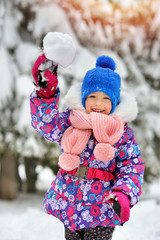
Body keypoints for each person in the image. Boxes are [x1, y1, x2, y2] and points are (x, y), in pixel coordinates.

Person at [30, 50, 145, 240]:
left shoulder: (120, 133)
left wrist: (123, 194)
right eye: (92, 96)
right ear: (84, 97)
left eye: (106, 98)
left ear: (114, 102)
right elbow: (46, 124)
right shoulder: (72, 121)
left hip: (101, 208)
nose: (98, 103)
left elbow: (132, 167)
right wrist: (45, 94)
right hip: (70, 204)